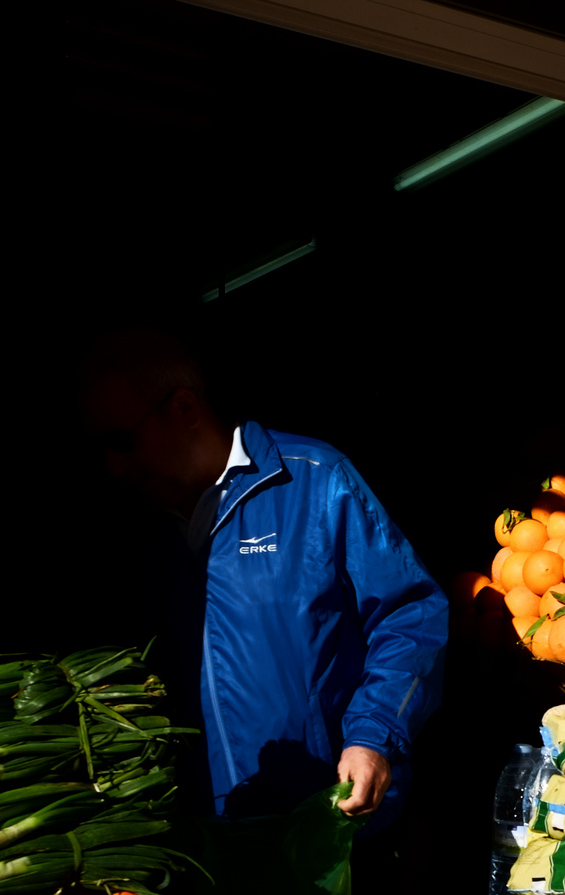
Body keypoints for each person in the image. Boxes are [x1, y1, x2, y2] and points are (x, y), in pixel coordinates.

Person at [78, 327, 447, 823]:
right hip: (201, 842)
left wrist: (372, 736)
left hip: (331, 825)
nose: (114, 467)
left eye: (123, 441)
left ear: (184, 409)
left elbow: (411, 614)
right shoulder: (127, 532)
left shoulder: (314, 479)